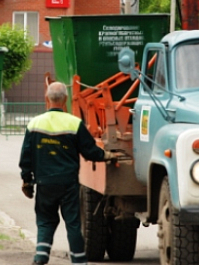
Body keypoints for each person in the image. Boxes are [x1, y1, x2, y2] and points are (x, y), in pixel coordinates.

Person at [19, 82, 117, 265]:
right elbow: (89, 150)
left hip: (44, 183)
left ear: (47, 99)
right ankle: (79, 261)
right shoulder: (74, 123)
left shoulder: (34, 124)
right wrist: (107, 155)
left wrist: (27, 181)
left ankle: (41, 255)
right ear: (64, 100)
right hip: (68, 184)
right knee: (72, 223)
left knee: (45, 220)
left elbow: (26, 156)